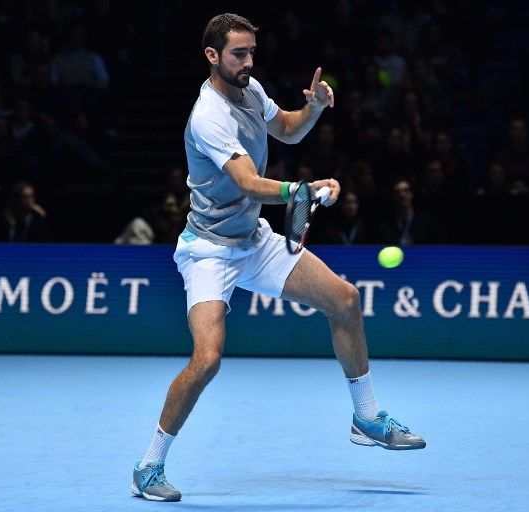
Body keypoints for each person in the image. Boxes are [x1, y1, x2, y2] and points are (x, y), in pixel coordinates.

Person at [131, 13, 425, 503]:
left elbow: (286, 129)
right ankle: (149, 466)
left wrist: (313, 111)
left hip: (255, 240)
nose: (248, 62)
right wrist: (303, 191)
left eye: (251, 53)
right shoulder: (208, 115)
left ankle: (367, 417)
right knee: (206, 361)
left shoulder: (250, 89)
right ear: (212, 56)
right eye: (238, 54)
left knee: (345, 300)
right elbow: (247, 183)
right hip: (209, 251)